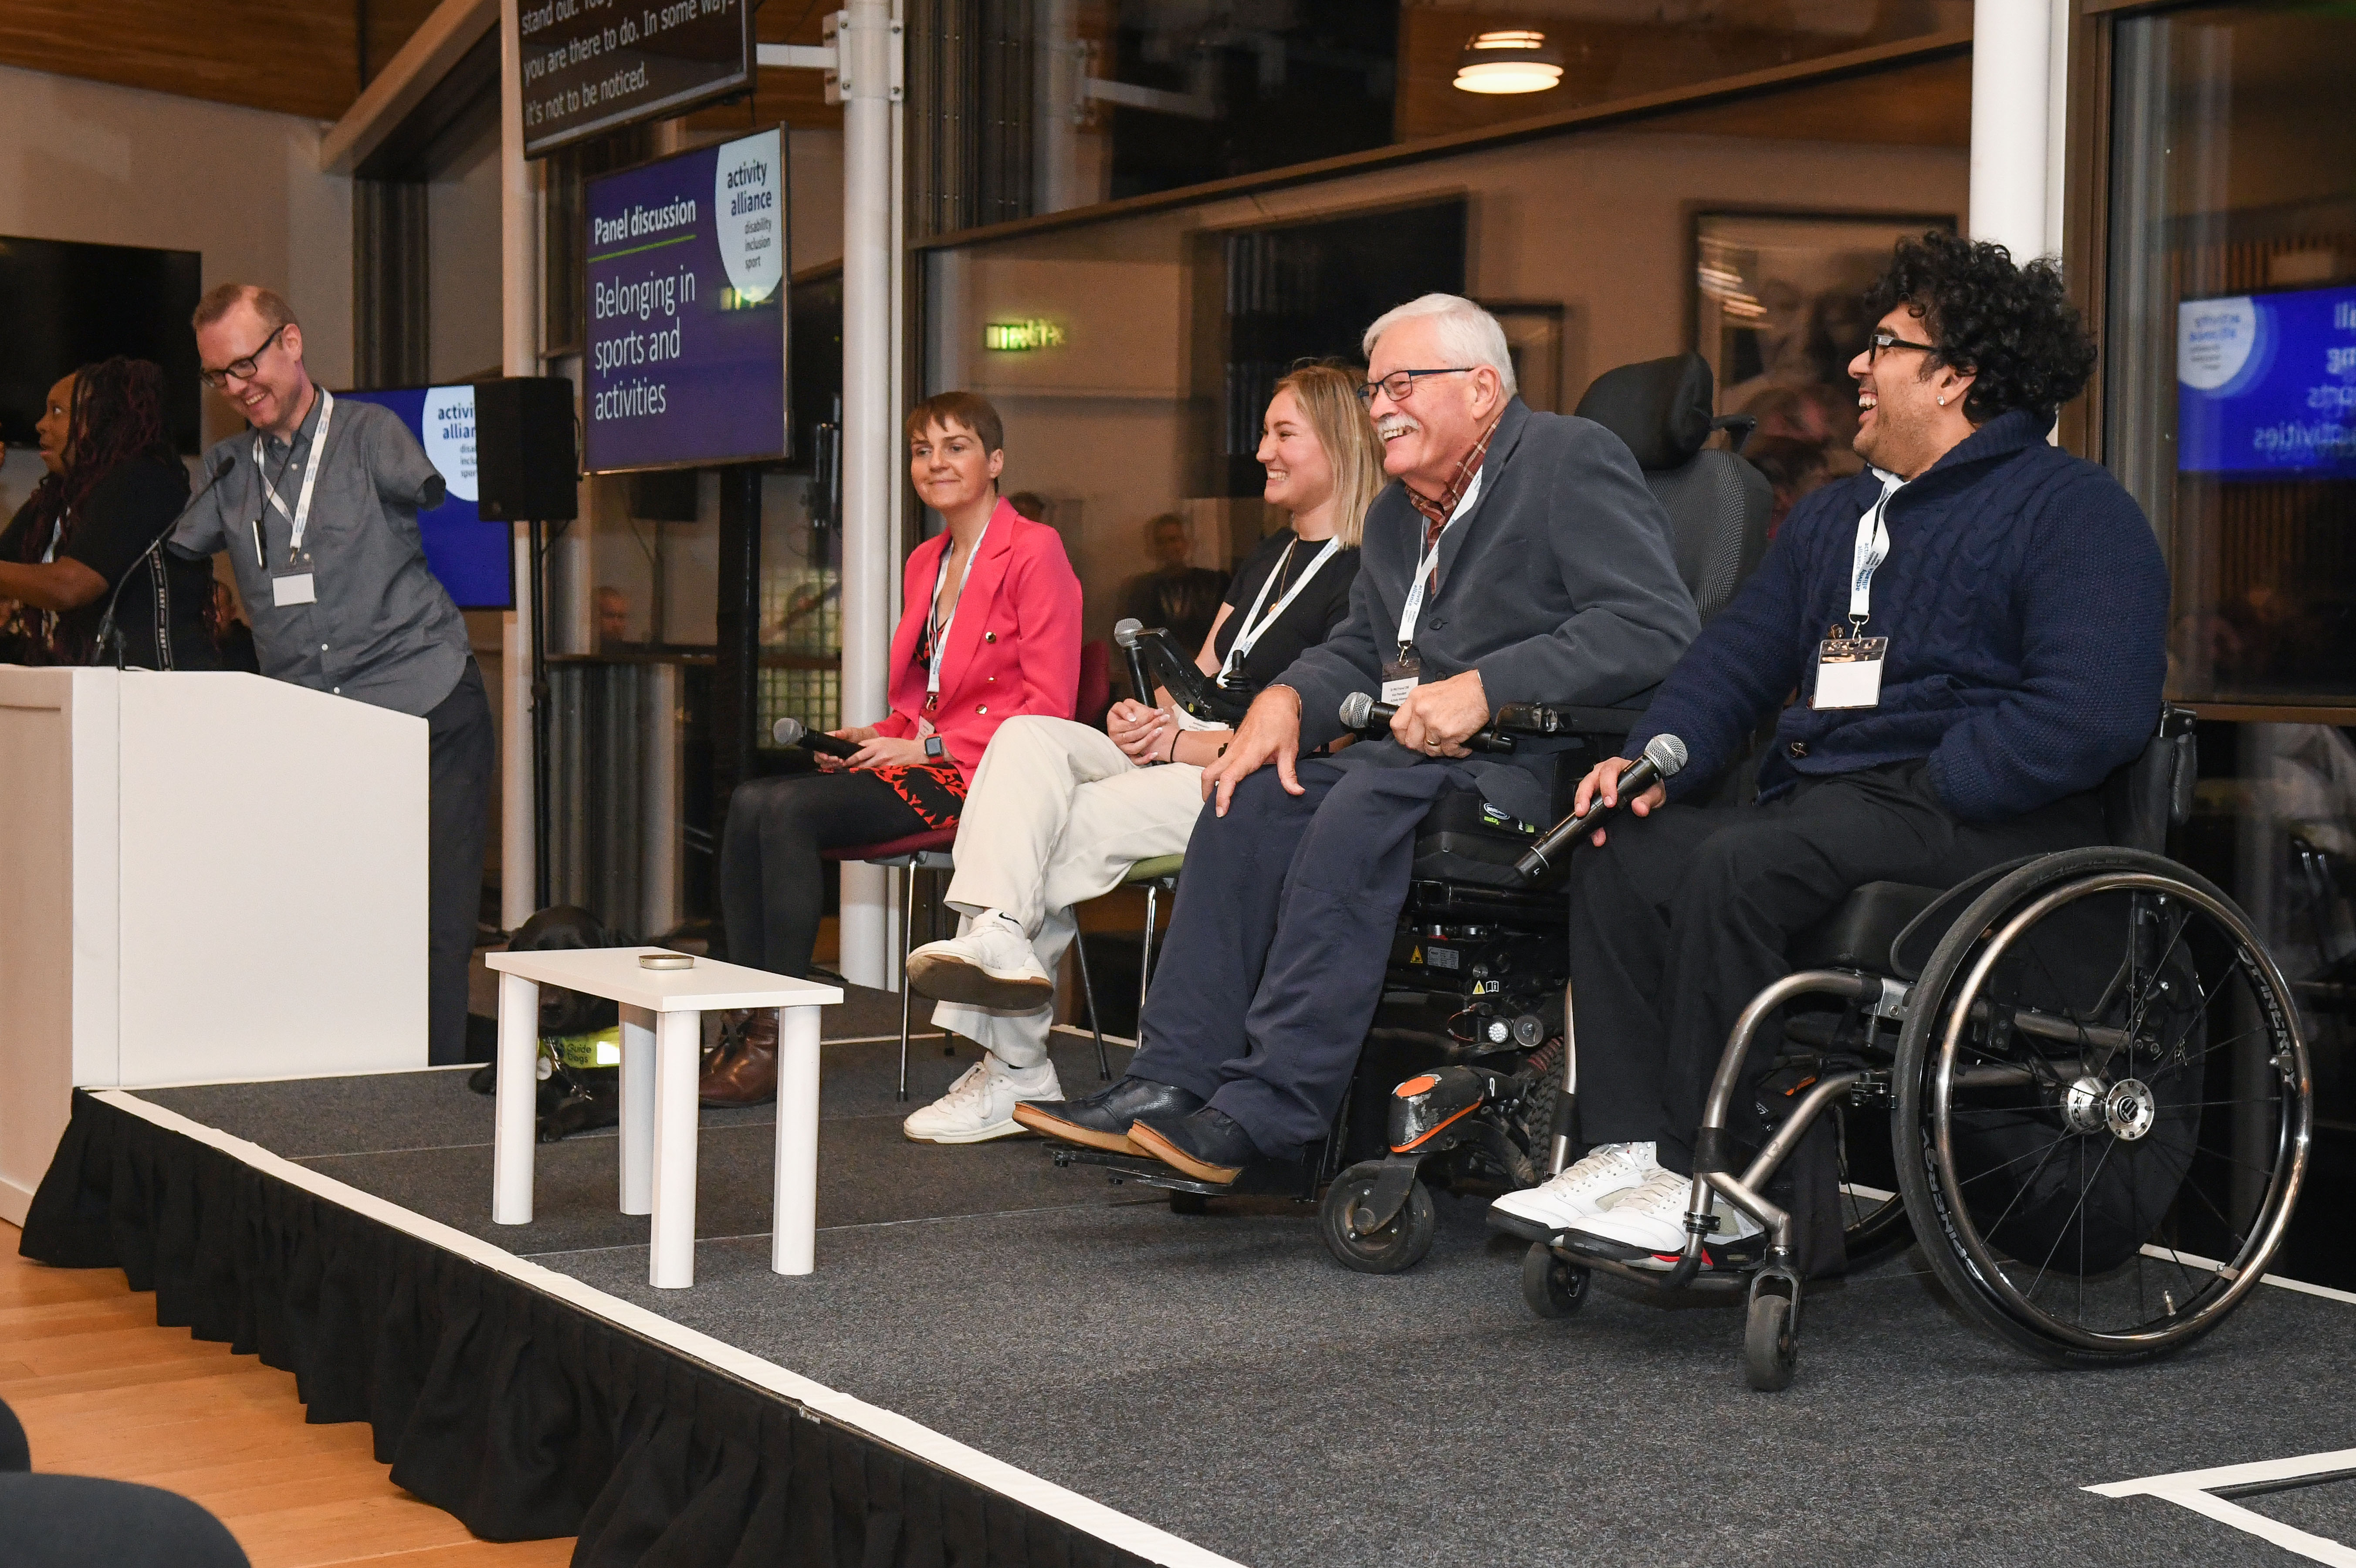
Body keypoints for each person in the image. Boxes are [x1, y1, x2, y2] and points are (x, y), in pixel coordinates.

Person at [1488, 233, 2169, 1266]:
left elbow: (2096, 711)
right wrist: (1654, 758)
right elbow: (1736, 659)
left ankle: (1719, 1184)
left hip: (1980, 823)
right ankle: (1625, 1154)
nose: (1854, 364)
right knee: (1620, 845)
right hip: (1835, 811)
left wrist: (1936, 775)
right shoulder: (1832, 519)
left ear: (1955, 377)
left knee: (1738, 861)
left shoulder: (2073, 512)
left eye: (1884, 346)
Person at [1019, 294, 1699, 1180]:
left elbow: (1654, 627)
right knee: (1252, 797)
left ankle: (1268, 1117)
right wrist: (1287, 704)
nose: (1378, 406)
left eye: (1403, 384)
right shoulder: (1391, 515)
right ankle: (1169, 1083)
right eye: (1376, 388)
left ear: (1484, 388)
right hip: (1412, 760)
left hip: (1534, 769)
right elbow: (1361, 650)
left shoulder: (1567, 461)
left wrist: (1491, 687)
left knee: (1362, 806)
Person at [895, 364, 1378, 1143]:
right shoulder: (1269, 558)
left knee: (1049, 838)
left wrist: (1181, 739)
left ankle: (1013, 1065)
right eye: (1264, 434)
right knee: (1024, 740)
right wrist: (1146, 719)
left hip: (1251, 781)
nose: (1261, 452)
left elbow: (1334, 729)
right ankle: (996, 937)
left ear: (1339, 443)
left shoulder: (1364, 574)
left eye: (1282, 434)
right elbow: (1206, 677)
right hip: (1184, 757)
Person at [702, 389, 1083, 1105]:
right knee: (752, 799)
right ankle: (743, 1022)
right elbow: (918, 705)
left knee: (784, 813)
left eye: (955, 446)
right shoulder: (926, 562)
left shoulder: (1034, 550)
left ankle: (773, 1042)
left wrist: (926, 747)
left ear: (995, 461)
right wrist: (872, 738)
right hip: (932, 764)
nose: (934, 463)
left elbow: (1048, 711)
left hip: (993, 780)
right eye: (921, 450)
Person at [165, 283, 494, 1069]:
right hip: (318, 730)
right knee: (331, 919)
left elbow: (430, 496)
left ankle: (433, 1094)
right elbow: (171, 563)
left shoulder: (372, 436)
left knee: (434, 926)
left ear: (291, 342)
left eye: (246, 363)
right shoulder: (227, 473)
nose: (238, 387)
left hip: (426, 707)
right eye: (219, 376)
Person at [0, 358, 219, 670]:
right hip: (99, 692)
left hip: (158, 691)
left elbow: (70, 586)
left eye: (57, 411)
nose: (41, 424)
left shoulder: (141, 479)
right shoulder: (55, 499)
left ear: (100, 419)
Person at [1120, 510, 1228, 670]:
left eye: (1174, 540)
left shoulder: (1214, 583)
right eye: (1161, 542)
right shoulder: (1142, 589)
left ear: (1186, 543)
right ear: (1153, 548)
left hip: (1208, 668)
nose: (1169, 547)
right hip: (1160, 670)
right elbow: (1133, 641)